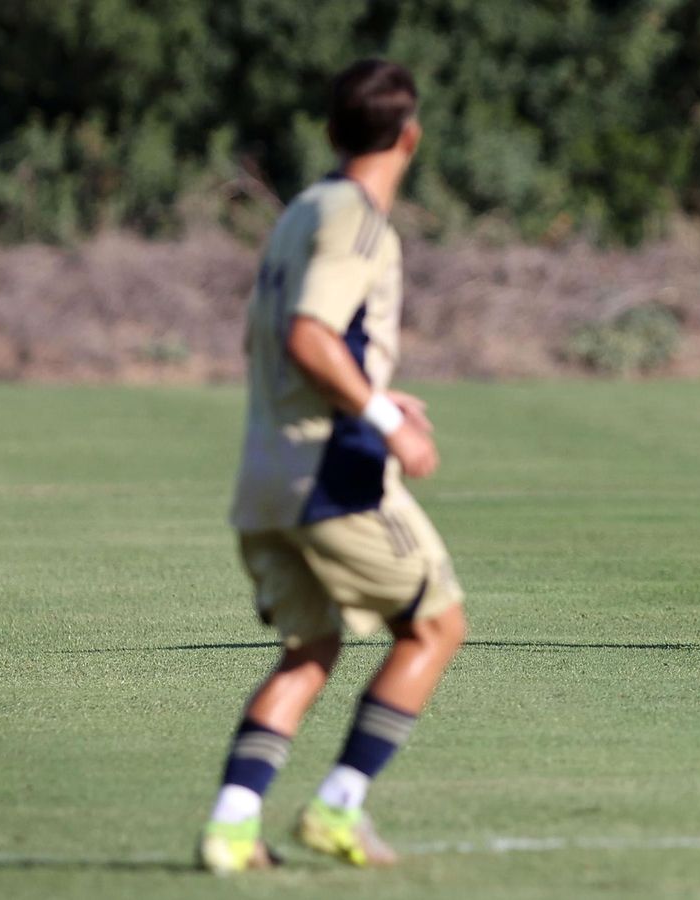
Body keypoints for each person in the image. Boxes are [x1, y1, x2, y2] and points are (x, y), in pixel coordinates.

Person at [197, 59, 467, 874]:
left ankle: (231, 829)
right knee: (435, 625)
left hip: (264, 476)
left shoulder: (299, 212)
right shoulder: (357, 220)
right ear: (410, 137)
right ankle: (337, 806)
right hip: (329, 476)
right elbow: (310, 336)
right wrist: (383, 419)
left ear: (330, 130)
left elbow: (271, 341)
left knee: (310, 648)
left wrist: (375, 391)